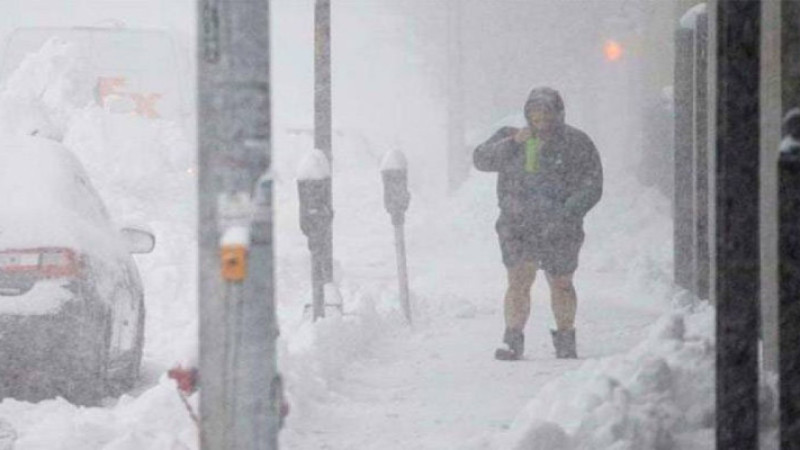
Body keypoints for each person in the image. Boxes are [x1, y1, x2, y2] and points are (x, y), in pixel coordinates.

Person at [473, 87, 603, 360]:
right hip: (517, 224)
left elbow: (592, 185)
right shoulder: (511, 138)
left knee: (561, 282)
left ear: (558, 113)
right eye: (534, 111)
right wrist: (513, 143)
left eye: (546, 111)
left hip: (561, 227)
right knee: (519, 280)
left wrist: (566, 213)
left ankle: (565, 339)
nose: (539, 117)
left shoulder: (576, 142)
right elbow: (481, 159)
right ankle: (512, 340)